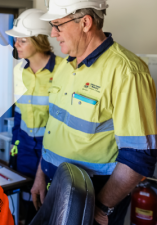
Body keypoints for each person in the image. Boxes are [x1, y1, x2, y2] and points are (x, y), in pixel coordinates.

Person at [31, 1, 157, 225]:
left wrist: (101, 207)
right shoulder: (64, 66)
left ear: (85, 23)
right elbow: (55, 128)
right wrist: (41, 174)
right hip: (55, 187)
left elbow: (139, 156)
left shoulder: (127, 72)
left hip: (91, 199)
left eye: (58, 25)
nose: (53, 33)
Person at [5, 8, 63, 224]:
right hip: (25, 147)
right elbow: (18, 115)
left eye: (21, 41)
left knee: (48, 203)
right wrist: (15, 148)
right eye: (16, 40)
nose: (16, 45)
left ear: (38, 41)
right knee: (25, 201)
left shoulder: (62, 70)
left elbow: (61, 122)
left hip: (53, 149)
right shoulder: (19, 70)